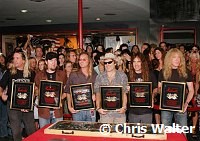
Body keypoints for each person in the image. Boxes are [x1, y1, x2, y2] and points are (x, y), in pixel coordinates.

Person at [0, 50, 36, 141]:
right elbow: (1, 87)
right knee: (16, 132)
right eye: (14, 58)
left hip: (27, 106)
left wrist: (31, 99)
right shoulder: (9, 72)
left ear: (24, 60)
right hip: (13, 106)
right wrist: (1, 95)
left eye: (17, 58)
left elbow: (35, 89)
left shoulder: (31, 73)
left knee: (31, 130)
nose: (15, 60)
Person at [158, 48, 194, 128]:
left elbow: (191, 90)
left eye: (179, 57)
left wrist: (186, 103)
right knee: (166, 132)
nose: (177, 60)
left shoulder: (186, 71)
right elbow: (159, 89)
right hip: (166, 107)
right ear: (169, 59)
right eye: (174, 57)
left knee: (182, 133)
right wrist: (163, 91)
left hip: (181, 107)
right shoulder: (163, 72)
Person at [34, 52, 67, 128]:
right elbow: (35, 91)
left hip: (57, 111)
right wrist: (38, 93)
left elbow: (66, 90)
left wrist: (59, 99)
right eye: (51, 60)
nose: (54, 63)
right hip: (44, 111)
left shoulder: (62, 74)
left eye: (55, 60)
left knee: (58, 135)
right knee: (44, 134)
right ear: (46, 62)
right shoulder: (39, 75)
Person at [94, 53, 128, 123]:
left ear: (115, 63)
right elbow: (97, 93)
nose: (107, 65)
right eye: (105, 63)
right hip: (105, 114)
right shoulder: (99, 77)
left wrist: (124, 107)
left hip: (119, 114)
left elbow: (124, 93)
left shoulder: (122, 76)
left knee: (119, 133)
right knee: (105, 133)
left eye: (109, 62)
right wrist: (98, 108)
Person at [64, 52, 97, 122]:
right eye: (80, 60)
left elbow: (99, 91)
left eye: (84, 60)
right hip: (77, 110)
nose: (81, 61)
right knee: (78, 131)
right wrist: (69, 107)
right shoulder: (73, 75)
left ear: (89, 61)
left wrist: (96, 95)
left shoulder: (95, 75)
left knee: (91, 130)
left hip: (91, 109)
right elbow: (68, 92)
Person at [128, 53, 157, 123]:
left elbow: (156, 89)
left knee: (147, 133)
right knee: (133, 133)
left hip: (146, 111)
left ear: (142, 63)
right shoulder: (128, 75)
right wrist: (126, 89)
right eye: (134, 62)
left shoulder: (150, 74)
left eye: (138, 61)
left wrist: (152, 97)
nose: (136, 64)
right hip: (133, 111)